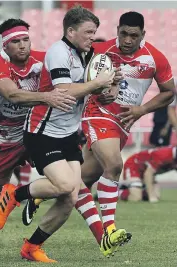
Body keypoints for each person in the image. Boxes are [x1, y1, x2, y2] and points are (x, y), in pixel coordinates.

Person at [23, 11, 175, 258]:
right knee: (115, 164)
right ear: (117, 30)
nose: (126, 39)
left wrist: (142, 109)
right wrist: (103, 90)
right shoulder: (100, 50)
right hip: (98, 113)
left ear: (143, 35)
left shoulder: (154, 58)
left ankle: (36, 201)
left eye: (133, 35)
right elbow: (75, 74)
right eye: (123, 33)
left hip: (123, 122)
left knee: (79, 182)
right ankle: (110, 230)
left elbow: (169, 92)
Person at [0, 6, 123, 263]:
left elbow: (96, 93)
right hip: (42, 131)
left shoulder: (89, 55)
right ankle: (14, 195)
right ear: (71, 31)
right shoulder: (58, 52)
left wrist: (108, 92)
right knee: (65, 185)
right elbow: (64, 91)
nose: (92, 36)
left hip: (68, 133)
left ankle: (31, 246)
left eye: (94, 32)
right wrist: (97, 84)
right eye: (88, 32)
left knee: (70, 197)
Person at [0, 18, 77, 222]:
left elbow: (74, 75)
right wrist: (47, 97)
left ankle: (33, 196)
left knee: (67, 182)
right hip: (4, 139)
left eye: (25, 40)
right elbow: (13, 95)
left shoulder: (44, 59)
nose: (22, 45)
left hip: (36, 132)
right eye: (16, 41)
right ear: (5, 45)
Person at [149, 78, 177, 147]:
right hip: (161, 125)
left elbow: (170, 112)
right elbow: (170, 113)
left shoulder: (167, 95)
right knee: (159, 146)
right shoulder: (169, 95)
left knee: (159, 146)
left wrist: (167, 127)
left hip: (162, 125)